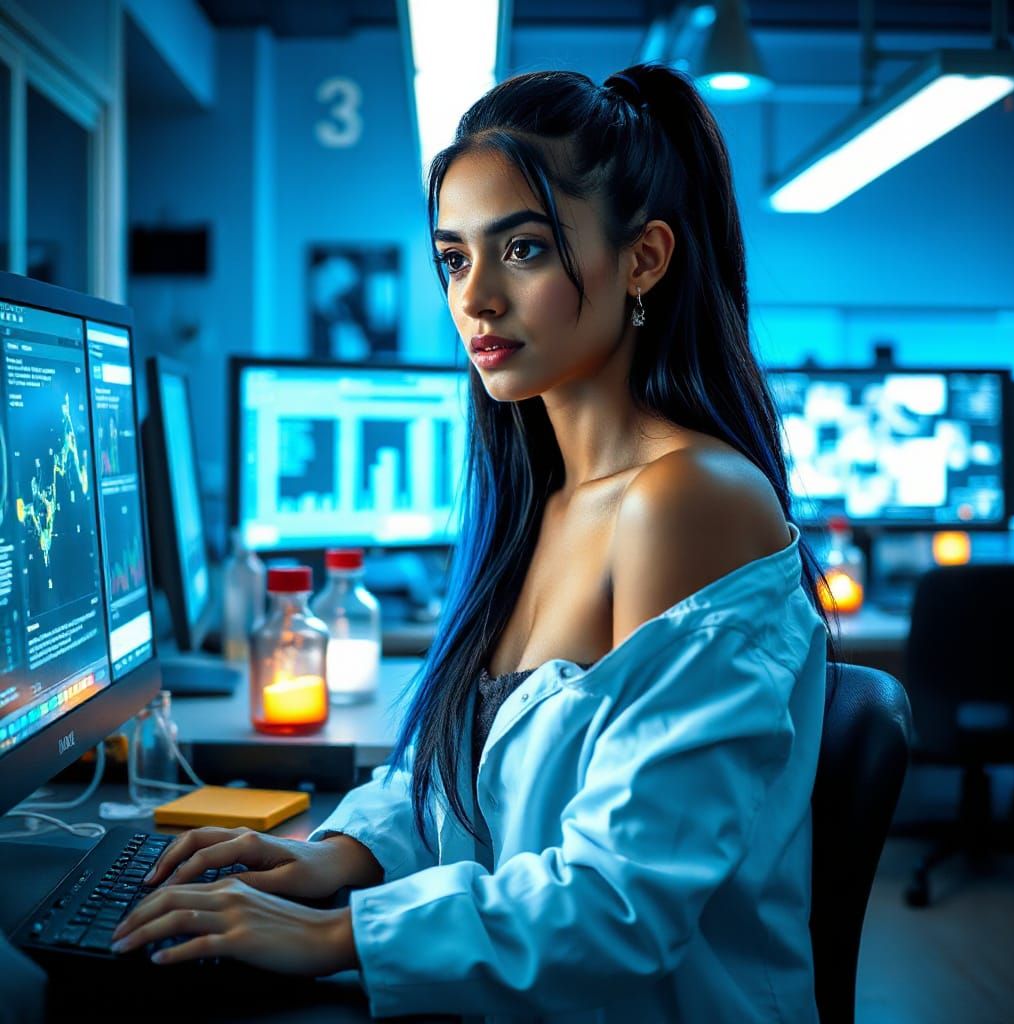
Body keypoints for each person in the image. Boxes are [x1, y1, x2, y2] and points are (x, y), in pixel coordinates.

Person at [111, 62, 838, 1021]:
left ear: (644, 260)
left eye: (524, 250)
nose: (476, 299)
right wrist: (337, 857)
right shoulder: (547, 498)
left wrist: (338, 932)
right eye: (455, 258)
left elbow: (624, 901)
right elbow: (472, 780)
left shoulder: (688, 500)